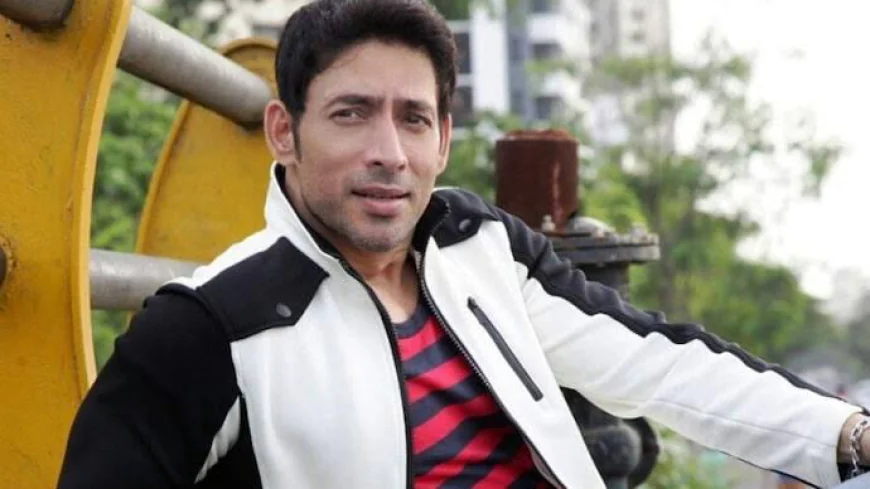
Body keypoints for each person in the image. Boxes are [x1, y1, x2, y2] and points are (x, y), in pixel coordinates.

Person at [57, 1, 869, 488]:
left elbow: (661, 363)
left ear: (444, 140)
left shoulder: (477, 245)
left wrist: (850, 434)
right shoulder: (210, 326)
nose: (389, 152)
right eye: (350, 113)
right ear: (284, 131)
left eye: (413, 119)